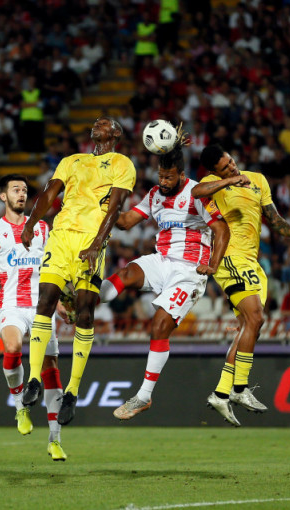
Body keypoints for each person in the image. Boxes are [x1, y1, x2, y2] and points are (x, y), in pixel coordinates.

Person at [19, 116, 136, 426]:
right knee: (45, 301)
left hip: (90, 240)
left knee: (84, 313)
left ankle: (71, 391)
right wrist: (31, 222)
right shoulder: (71, 160)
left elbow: (115, 208)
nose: (97, 123)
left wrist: (97, 244)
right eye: (95, 121)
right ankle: (33, 379)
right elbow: (49, 193)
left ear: (115, 133)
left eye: (104, 122)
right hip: (61, 238)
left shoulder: (122, 163)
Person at [99, 144, 229, 420]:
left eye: (169, 177)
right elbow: (125, 222)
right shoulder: (154, 194)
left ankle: (143, 396)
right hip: (162, 260)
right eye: (160, 176)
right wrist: (105, 207)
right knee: (125, 274)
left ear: (181, 175)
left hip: (189, 270)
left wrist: (214, 264)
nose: (163, 181)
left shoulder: (196, 193)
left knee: (159, 325)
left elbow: (221, 229)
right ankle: (84, 302)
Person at [193, 144, 290, 426]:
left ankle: (221, 393)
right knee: (256, 317)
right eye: (225, 168)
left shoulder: (258, 180)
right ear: (215, 172)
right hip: (229, 257)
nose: (232, 167)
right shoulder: (212, 184)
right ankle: (239, 389)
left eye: (231, 162)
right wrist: (228, 181)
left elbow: (274, 219)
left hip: (252, 263)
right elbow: (195, 192)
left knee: (250, 327)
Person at [0, 174, 68, 461]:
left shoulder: (42, 228)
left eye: (25, 190)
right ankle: (20, 407)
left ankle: (55, 439)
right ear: (3, 196)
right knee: (13, 347)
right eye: (15, 189)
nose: (21, 194)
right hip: (11, 305)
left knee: (50, 366)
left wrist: (61, 301)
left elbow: (54, 267)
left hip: (43, 307)